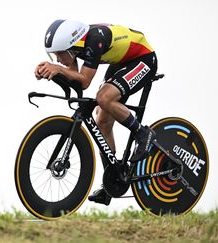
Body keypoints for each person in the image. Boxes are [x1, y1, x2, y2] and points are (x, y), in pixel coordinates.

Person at [34, 19, 157, 206]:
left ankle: (143, 133)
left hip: (143, 59)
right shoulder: (76, 46)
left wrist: (59, 69)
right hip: (122, 62)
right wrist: (50, 73)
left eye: (59, 54)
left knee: (104, 98)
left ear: (69, 46)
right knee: (103, 122)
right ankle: (112, 181)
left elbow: (84, 81)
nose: (57, 59)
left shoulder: (93, 40)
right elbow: (73, 77)